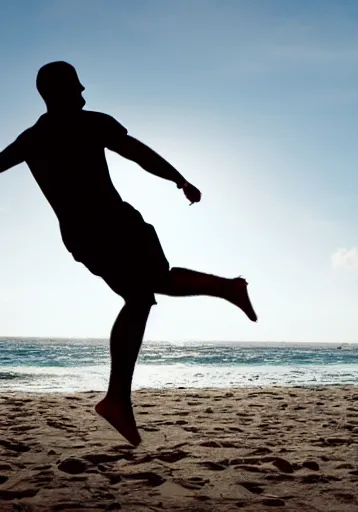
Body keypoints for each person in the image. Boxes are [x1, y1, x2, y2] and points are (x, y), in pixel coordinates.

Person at [0, 61, 257, 446]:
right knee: (146, 291)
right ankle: (118, 397)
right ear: (62, 90)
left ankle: (226, 291)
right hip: (112, 222)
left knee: (146, 291)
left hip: (80, 236)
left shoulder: (30, 139)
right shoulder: (89, 123)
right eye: (77, 84)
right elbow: (139, 153)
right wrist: (179, 180)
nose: (84, 89)